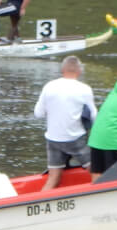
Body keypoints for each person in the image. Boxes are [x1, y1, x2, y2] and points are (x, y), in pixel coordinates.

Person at [33, 55, 98, 190]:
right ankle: (98, 196)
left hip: (53, 139)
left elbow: (38, 114)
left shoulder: (49, 86)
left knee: (54, 177)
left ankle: (39, 202)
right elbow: (94, 116)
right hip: (74, 139)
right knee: (96, 170)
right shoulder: (84, 89)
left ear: (62, 70)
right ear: (79, 71)